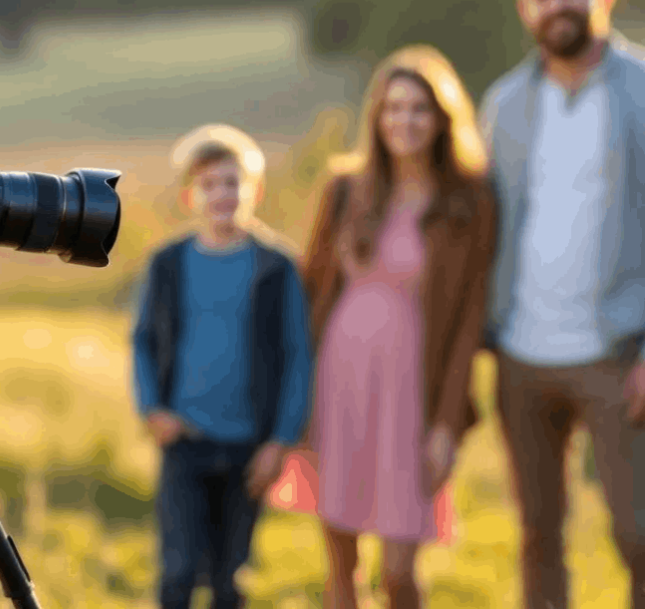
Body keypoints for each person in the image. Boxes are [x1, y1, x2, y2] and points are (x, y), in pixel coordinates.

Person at [480, 0, 645, 609]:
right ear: (526, 8)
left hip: (618, 353)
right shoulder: (504, 103)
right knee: (538, 536)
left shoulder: (642, 89)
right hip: (521, 354)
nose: (558, 5)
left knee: (639, 534)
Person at [302, 45, 496, 609]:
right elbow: (310, 290)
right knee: (342, 571)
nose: (403, 121)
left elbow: (468, 323)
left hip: (414, 393)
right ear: (376, 117)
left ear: (441, 119)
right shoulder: (344, 188)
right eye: (392, 108)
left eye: (417, 109)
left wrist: (447, 424)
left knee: (399, 574)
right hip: (338, 379)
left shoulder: (469, 201)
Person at [132, 124, 315, 609]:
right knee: (177, 573)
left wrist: (280, 442)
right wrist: (152, 408)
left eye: (232, 182)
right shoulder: (167, 263)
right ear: (189, 195)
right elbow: (143, 340)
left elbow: (298, 354)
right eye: (209, 184)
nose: (221, 194)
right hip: (184, 443)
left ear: (255, 189)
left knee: (230, 580)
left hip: (249, 450)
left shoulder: (277, 267)